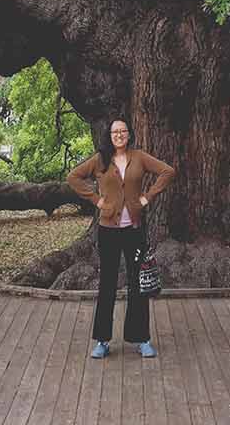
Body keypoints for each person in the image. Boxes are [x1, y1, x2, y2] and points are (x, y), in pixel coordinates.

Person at [67, 117, 177, 359]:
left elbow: (167, 172)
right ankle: (102, 340)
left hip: (134, 231)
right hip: (108, 232)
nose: (119, 135)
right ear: (109, 135)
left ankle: (142, 339)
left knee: (138, 283)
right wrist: (96, 200)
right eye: (115, 131)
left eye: (123, 131)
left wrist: (147, 197)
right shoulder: (100, 160)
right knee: (107, 284)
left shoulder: (139, 157)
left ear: (129, 134)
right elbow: (73, 177)